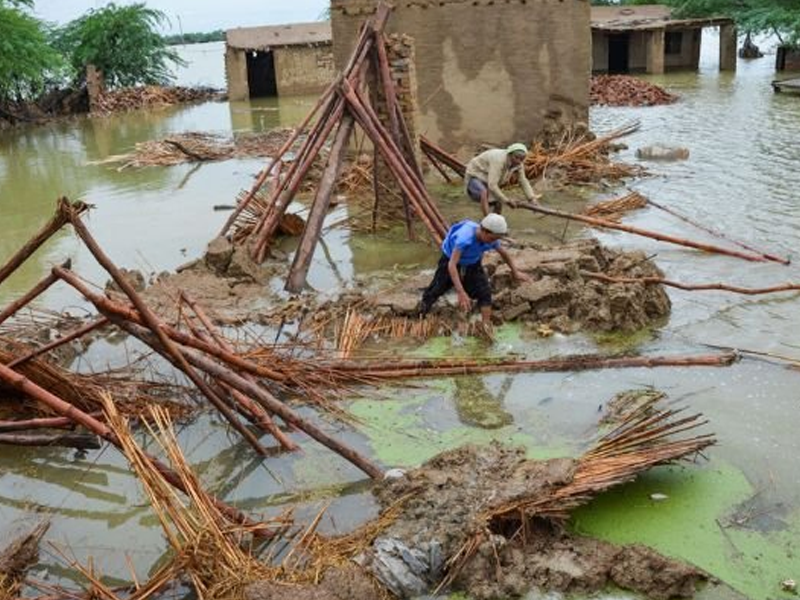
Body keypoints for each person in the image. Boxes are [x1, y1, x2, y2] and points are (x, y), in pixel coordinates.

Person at [418, 214, 529, 326]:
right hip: (450, 259)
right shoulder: (465, 238)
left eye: (495, 239)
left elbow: (504, 253)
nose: (492, 242)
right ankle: (421, 314)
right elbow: (452, 265)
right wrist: (461, 292)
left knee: (484, 292)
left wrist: (515, 272)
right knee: (436, 289)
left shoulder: (491, 238)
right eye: (491, 239)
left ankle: (486, 325)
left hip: (473, 261)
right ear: (484, 231)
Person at [465, 142, 540, 216]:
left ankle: (496, 222)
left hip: (489, 177)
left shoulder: (519, 164)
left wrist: (532, 199)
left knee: (498, 202)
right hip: (476, 175)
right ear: (510, 154)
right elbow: (492, 185)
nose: (518, 161)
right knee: (484, 193)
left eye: (521, 159)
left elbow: (523, 181)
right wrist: (507, 200)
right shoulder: (498, 160)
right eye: (516, 157)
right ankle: (487, 221)